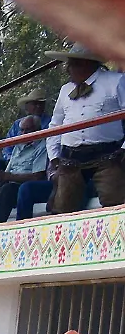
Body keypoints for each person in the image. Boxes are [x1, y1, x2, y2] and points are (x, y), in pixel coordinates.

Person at [45, 45, 125, 215]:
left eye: (71, 64)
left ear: (86, 64)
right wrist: (53, 157)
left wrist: (124, 150)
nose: (67, 69)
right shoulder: (65, 90)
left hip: (108, 155)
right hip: (70, 158)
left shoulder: (115, 82)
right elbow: (55, 125)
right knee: (61, 210)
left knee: (116, 205)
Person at [0, 115, 54, 224]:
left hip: (22, 186)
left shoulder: (42, 146)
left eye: (28, 130)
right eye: (22, 130)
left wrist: (6, 177)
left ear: (37, 130)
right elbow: (9, 167)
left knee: (8, 189)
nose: (24, 133)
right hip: (9, 183)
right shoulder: (19, 145)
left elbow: (37, 176)